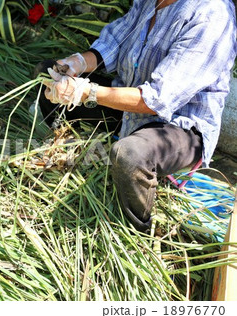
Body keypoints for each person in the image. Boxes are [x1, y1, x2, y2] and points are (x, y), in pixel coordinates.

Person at [38, 0, 237, 232]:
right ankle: (57, 151)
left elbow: (158, 99)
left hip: (178, 126)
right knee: (47, 77)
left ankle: (138, 229)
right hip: (129, 105)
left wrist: (86, 92)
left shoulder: (212, 15)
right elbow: (116, 40)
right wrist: (78, 62)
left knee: (129, 155)